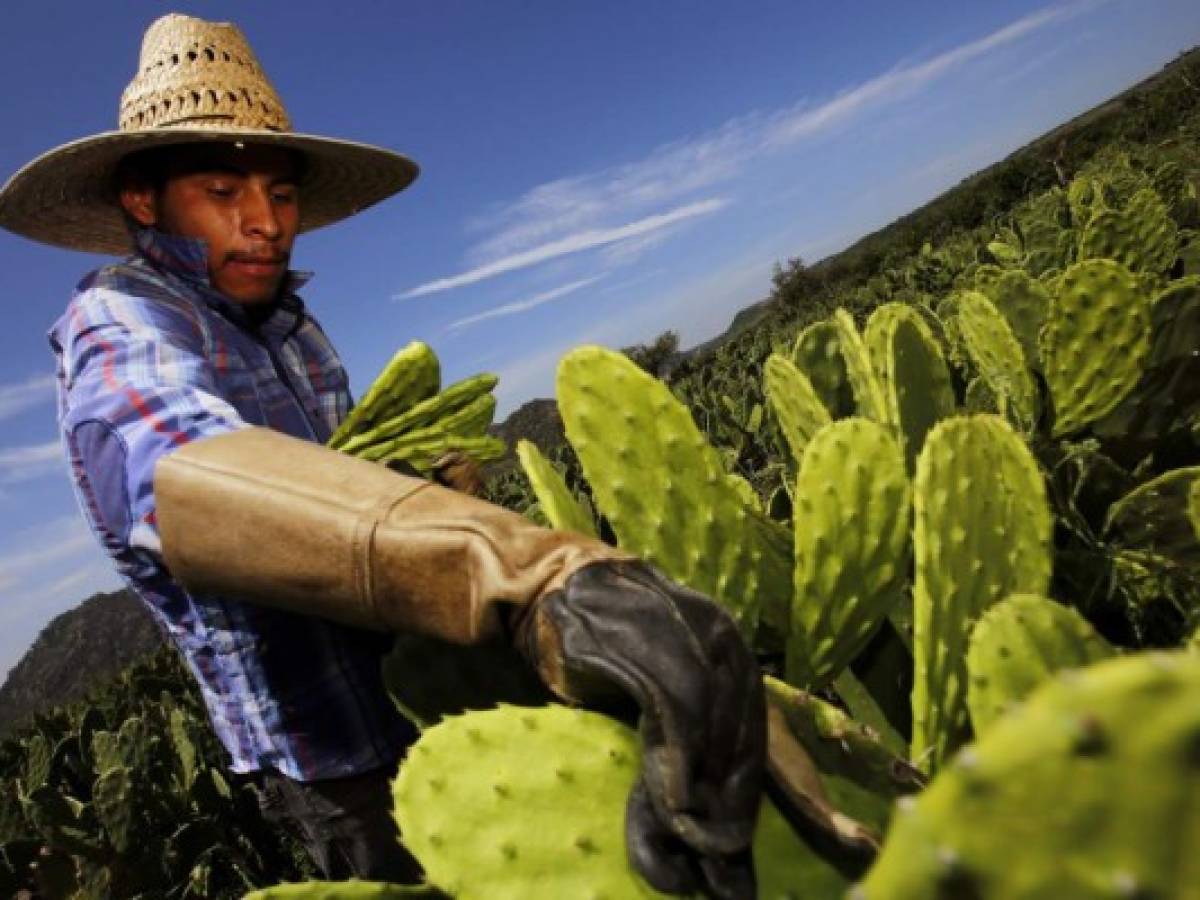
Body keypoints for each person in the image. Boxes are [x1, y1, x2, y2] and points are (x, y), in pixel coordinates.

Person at [0, 14, 766, 899]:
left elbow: (344, 487)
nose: (264, 224)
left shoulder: (294, 328)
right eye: (222, 190)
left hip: (427, 693)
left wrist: (425, 496)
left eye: (281, 196)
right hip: (333, 756)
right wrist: (518, 572)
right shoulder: (121, 321)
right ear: (144, 200)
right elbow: (176, 473)